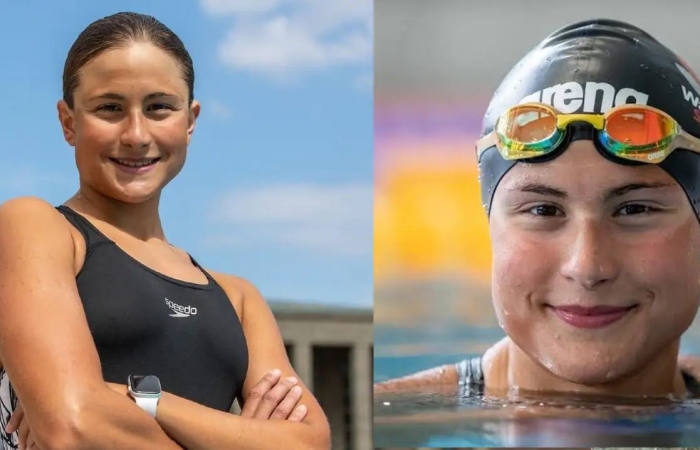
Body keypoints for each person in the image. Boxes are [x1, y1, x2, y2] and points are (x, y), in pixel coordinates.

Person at [0, 11, 330, 450]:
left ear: (190, 121)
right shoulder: (37, 228)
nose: (136, 134)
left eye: (159, 107)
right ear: (69, 122)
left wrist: (145, 401)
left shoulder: (238, 298)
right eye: (110, 108)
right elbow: (73, 428)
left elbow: (308, 444)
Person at [375, 18, 700, 400]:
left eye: (634, 210)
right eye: (544, 211)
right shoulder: (393, 414)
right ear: (490, 223)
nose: (587, 268)